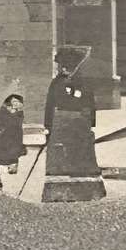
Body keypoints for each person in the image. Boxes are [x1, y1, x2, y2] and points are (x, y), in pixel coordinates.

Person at [42, 44, 105, 203]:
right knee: (60, 161)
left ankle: (87, 194)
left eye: (64, 66)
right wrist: (48, 126)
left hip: (77, 128)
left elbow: (89, 104)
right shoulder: (56, 83)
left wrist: (89, 124)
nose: (61, 69)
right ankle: (58, 194)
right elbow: (50, 105)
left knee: (81, 160)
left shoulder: (82, 82)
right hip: (59, 128)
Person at [0, 92, 26, 191]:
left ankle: (11, 166)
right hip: (2, 136)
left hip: (14, 137)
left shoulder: (20, 112)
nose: (16, 103)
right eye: (14, 101)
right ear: (9, 102)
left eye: (18, 102)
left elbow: (17, 123)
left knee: (13, 155)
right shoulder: (4, 110)